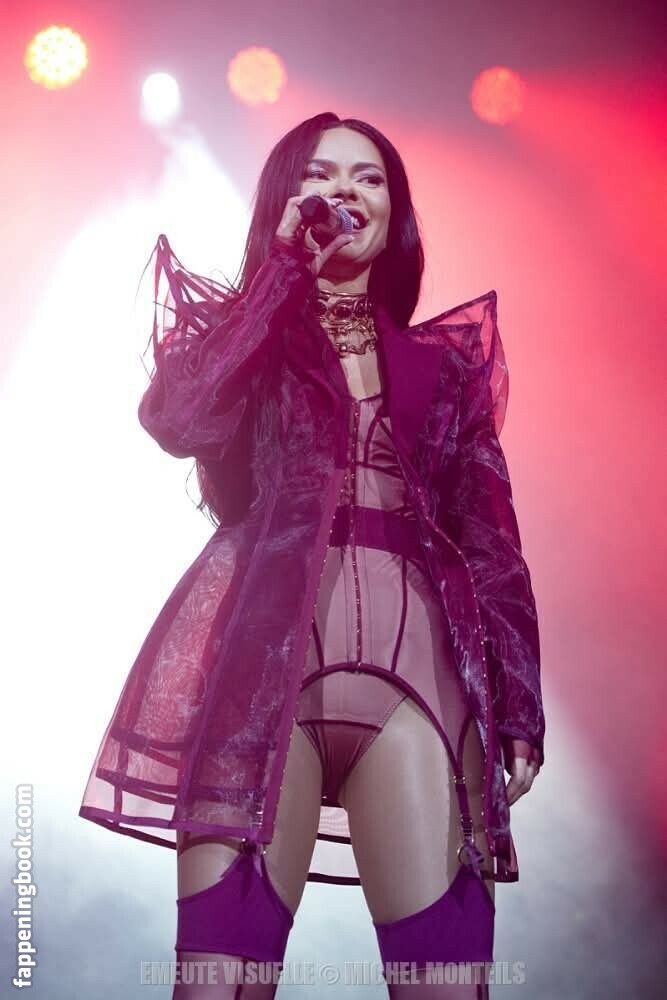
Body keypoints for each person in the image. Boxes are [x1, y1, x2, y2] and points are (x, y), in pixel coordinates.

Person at [79, 113, 545, 998]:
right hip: (264, 685)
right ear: (286, 201)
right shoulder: (244, 343)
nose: (345, 191)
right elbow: (179, 420)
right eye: (322, 175)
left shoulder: (442, 370)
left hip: (418, 691)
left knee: (446, 985)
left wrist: (518, 696)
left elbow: (489, 539)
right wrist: (282, 273)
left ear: (394, 212)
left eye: (369, 178)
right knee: (219, 983)